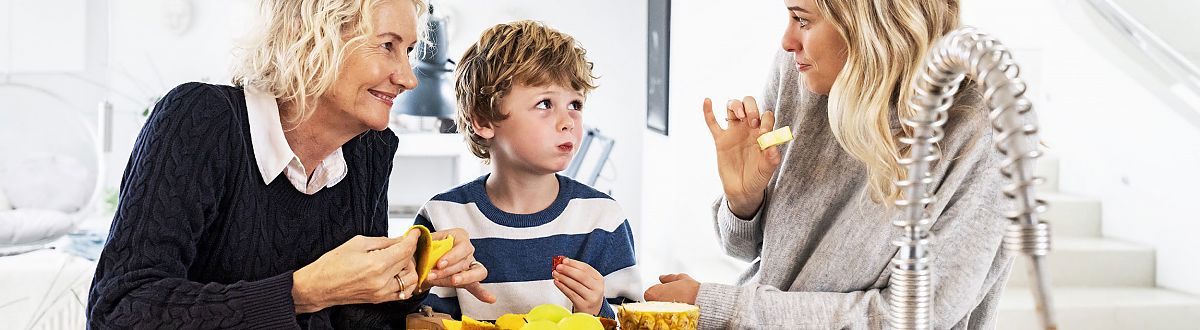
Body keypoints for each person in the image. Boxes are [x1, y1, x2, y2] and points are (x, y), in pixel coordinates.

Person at [86, 0, 494, 328]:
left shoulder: (368, 150)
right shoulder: (200, 119)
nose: (408, 78)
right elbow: (119, 310)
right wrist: (303, 291)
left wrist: (414, 270)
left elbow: (352, 316)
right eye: (387, 45)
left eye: (407, 51)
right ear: (312, 36)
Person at [644, 0, 1013, 328]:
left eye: (802, 20)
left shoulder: (980, 128)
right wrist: (743, 201)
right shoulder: (797, 72)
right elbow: (747, 249)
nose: (787, 41)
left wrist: (714, 306)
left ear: (870, 22)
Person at [413, 20, 643, 321]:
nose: (567, 122)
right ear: (483, 120)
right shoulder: (442, 215)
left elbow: (634, 320)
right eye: (545, 103)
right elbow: (426, 318)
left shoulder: (603, 219)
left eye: (575, 104)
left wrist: (593, 309)